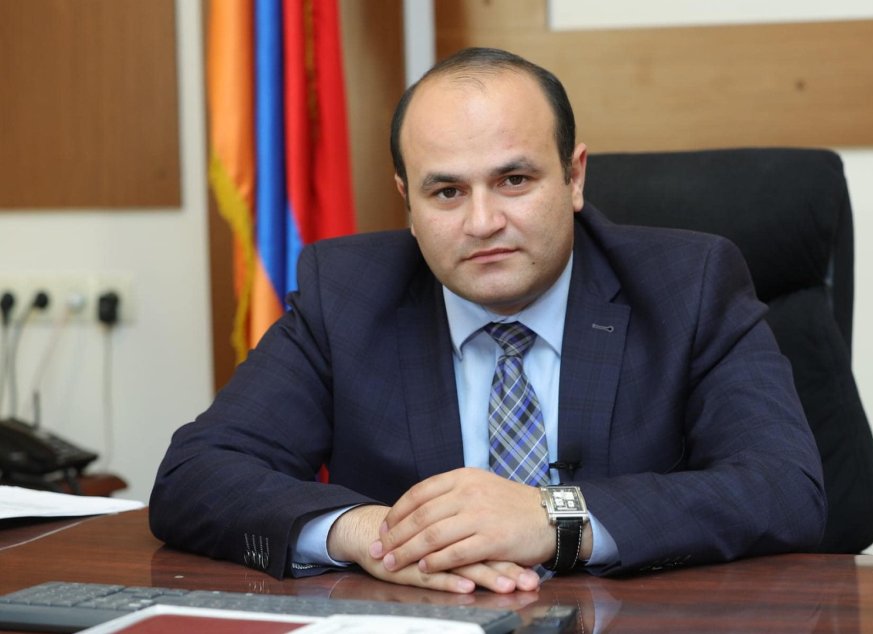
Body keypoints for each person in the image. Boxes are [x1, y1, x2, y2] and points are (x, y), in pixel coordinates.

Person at [150, 47, 826, 595]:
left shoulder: (689, 285)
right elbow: (195, 476)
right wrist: (375, 534)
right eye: (447, 191)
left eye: (514, 181)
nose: (482, 222)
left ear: (574, 177)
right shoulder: (346, 294)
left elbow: (784, 488)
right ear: (407, 202)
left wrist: (555, 519)